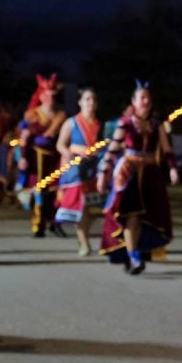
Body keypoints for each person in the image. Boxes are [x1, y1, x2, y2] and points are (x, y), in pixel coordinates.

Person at [97, 82, 178, 274]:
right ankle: (133, 257)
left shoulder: (157, 124)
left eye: (148, 97)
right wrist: (103, 173)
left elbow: (167, 150)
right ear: (133, 101)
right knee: (131, 214)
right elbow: (113, 149)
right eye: (141, 97)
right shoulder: (125, 123)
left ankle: (134, 251)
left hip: (150, 174)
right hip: (129, 173)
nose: (146, 101)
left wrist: (173, 169)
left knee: (146, 217)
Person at [53, 87, 103, 256]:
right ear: (80, 102)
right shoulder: (71, 122)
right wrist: (69, 152)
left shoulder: (98, 125)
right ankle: (84, 243)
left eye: (93, 99)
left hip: (93, 170)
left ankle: (83, 237)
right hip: (75, 170)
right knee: (80, 207)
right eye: (87, 99)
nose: (91, 102)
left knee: (91, 209)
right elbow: (60, 144)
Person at [19, 74, 68, 237]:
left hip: (54, 157)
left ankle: (55, 223)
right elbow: (24, 137)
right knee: (39, 191)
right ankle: (38, 224)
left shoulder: (61, 116)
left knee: (55, 191)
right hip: (37, 157)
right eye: (47, 95)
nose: (51, 98)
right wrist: (23, 157)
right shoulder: (32, 114)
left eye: (53, 95)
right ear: (41, 96)